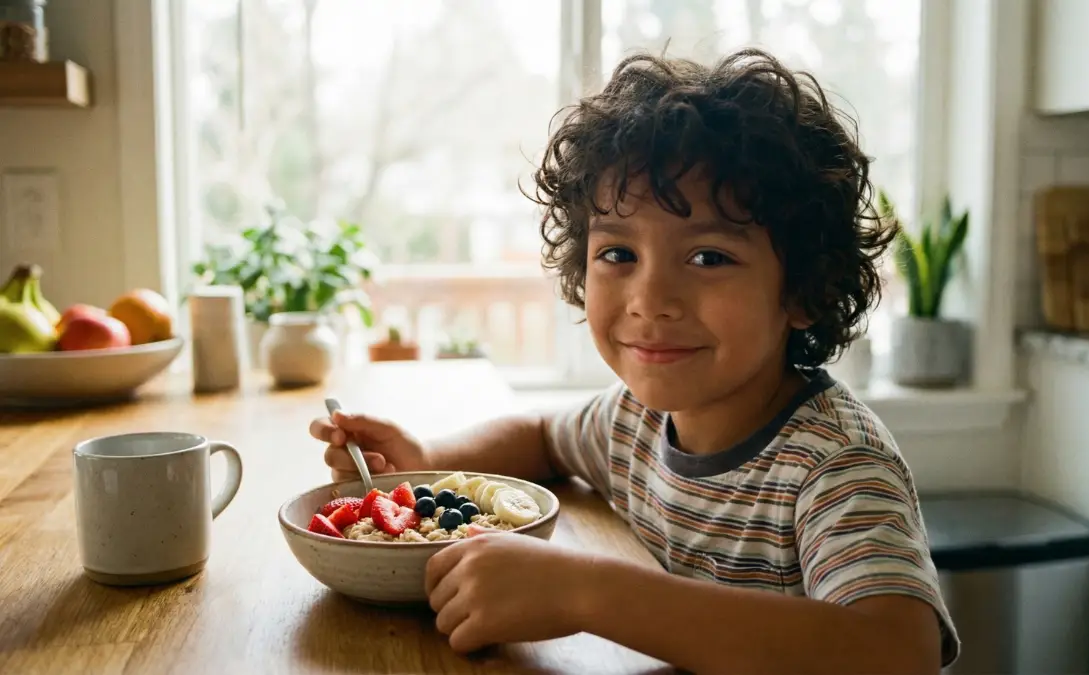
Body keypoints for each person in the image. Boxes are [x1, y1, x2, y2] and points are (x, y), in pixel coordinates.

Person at [310, 48, 959, 674]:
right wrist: (427, 455)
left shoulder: (836, 463)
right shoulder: (634, 421)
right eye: (619, 254)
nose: (650, 300)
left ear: (803, 290)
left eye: (708, 257)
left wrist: (585, 592)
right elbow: (542, 437)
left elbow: (896, 651)